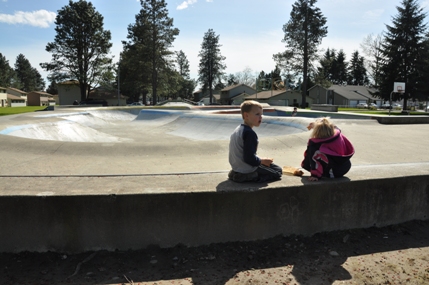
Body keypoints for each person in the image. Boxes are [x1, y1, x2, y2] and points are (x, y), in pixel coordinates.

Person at [228, 100, 283, 183]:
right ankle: (249, 176)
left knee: (270, 166)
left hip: (236, 167)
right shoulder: (250, 133)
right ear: (246, 115)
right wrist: (262, 161)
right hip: (246, 168)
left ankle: (236, 173)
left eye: (261, 114)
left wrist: (260, 159)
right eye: (257, 114)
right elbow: (249, 159)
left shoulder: (238, 129)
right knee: (277, 171)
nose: (261, 117)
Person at [301, 117, 354, 182]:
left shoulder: (316, 146)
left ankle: (319, 173)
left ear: (316, 133)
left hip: (334, 173)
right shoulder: (337, 134)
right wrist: (316, 125)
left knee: (313, 154)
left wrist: (315, 175)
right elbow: (333, 127)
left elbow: (314, 161)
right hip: (346, 166)